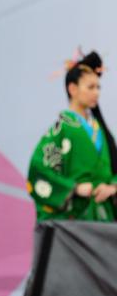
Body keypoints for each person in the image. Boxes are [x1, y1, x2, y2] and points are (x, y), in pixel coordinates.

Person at [28, 51, 117, 222]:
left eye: (98, 87)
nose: (96, 93)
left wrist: (111, 188)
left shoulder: (101, 131)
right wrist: (74, 188)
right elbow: (38, 169)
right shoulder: (62, 130)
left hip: (106, 217)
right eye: (91, 87)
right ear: (73, 89)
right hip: (77, 218)